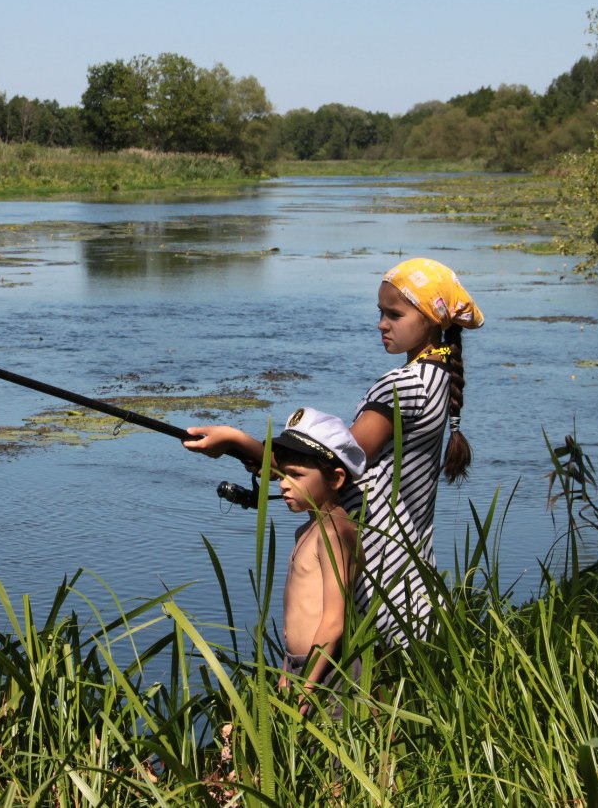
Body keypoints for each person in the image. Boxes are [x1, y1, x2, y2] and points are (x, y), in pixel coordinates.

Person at [184, 258, 484, 649]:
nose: (381, 323)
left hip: (377, 567)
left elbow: (334, 461)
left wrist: (237, 441)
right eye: (380, 312)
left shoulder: (403, 385)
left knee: (361, 691)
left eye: (395, 314)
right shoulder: (438, 377)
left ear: (431, 319)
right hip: (408, 572)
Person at [269, 407, 367, 713]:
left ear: (336, 478)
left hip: (328, 674)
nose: (284, 483)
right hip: (301, 665)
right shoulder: (307, 530)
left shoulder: (336, 532)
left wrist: (307, 687)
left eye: (296, 475)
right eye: (282, 474)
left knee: (329, 757)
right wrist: (288, 672)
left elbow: (333, 621)